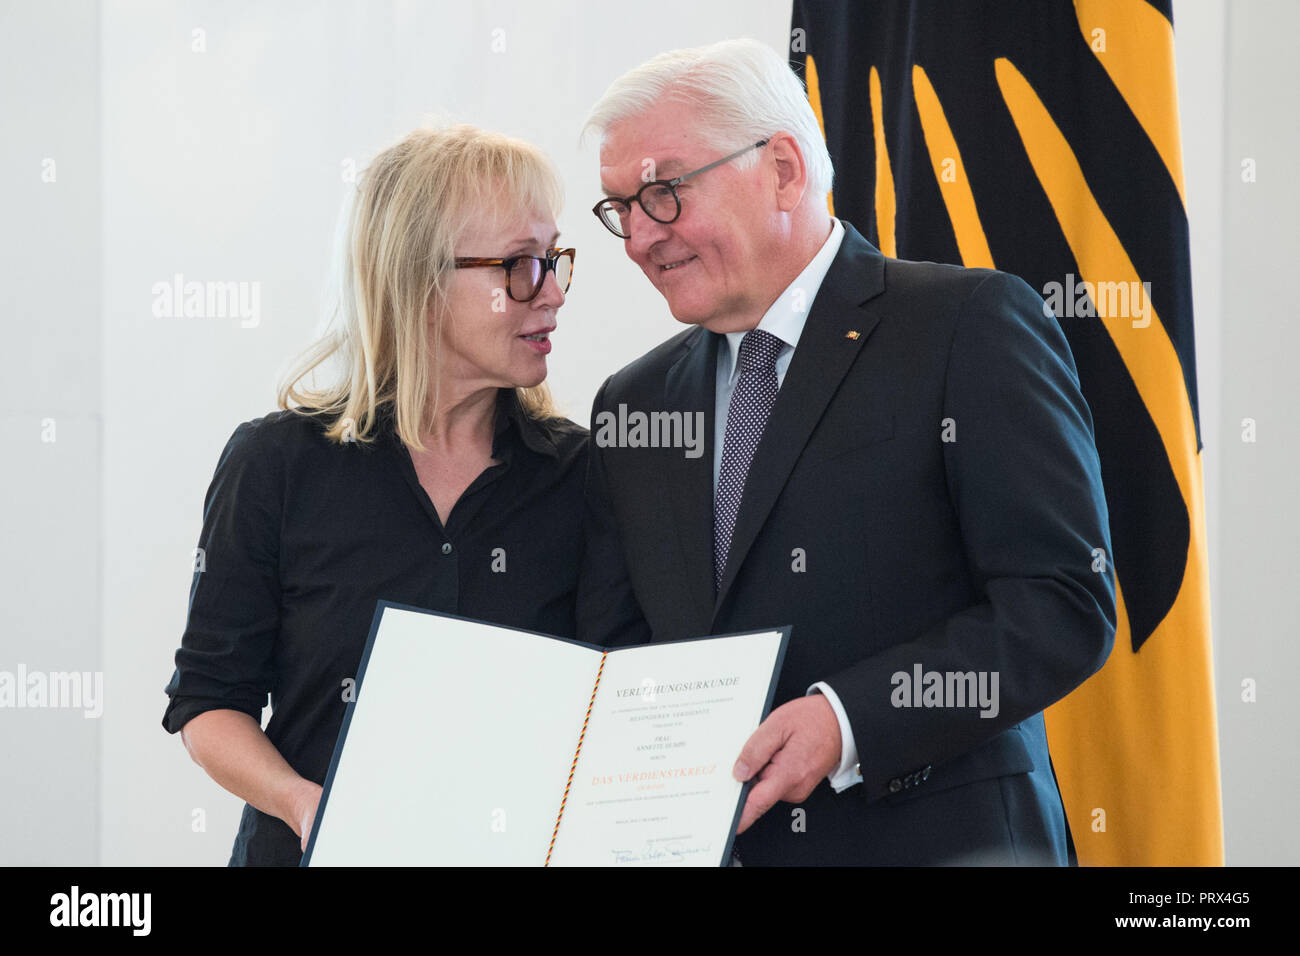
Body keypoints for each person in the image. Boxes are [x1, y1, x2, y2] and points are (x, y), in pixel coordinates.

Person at [578, 39, 1116, 865]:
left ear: (784, 169)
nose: (639, 239)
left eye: (663, 193)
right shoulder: (633, 402)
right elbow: (620, 652)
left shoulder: (966, 326)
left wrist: (848, 719)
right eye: (621, 209)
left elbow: (1062, 605)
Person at [161, 125, 585, 866]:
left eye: (554, 260)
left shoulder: (581, 475)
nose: (550, 292)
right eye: (519, 265)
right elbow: (207, 703)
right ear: (416, 280)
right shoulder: (276, 465)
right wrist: (301, 800)